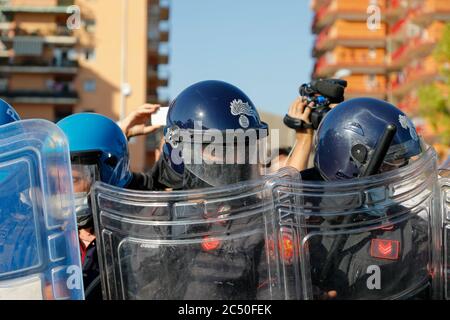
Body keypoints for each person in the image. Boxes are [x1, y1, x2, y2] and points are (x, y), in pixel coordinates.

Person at [284, 97, 430, 299]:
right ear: (350, 161)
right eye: (389, 165)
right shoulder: (291, 220)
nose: (395, 175)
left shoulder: (412, 230)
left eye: (400, 164)